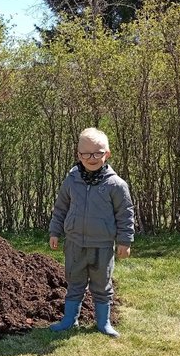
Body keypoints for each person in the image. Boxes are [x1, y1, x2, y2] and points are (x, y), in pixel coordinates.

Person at [48, 127, 134, 337]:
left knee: (102, 285)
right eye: (86, 154)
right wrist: (54, 231)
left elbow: (125, 214)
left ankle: (103, 323)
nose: (92, 158)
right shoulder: (72, 180)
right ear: (78, 155)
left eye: (97, 153)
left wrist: (125, 241)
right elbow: (61, 208)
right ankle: (69, 320)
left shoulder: (116, 185)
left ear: (107, 154)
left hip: (102, 246)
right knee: (74, 283)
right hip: (75, 244)